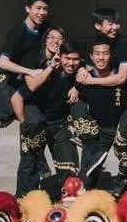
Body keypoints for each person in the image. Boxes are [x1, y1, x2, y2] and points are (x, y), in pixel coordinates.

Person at [10, 40, 82, 200]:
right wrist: (24, 123)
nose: (71, 63)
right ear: (60, 57)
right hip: (37, 123)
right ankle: (24, 202)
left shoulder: (79, 73)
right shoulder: (45, 72)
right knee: (30, 164)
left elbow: (89, 69)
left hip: (60, 124)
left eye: (75, 59)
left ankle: (69, 200)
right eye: (67, 58)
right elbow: (17, 97)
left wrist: (77, 86)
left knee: (69, 161)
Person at [0, 0, 50, 150]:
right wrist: (29, 71)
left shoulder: (45, 30)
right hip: (3, 73)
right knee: (8, 108)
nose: (41, 13)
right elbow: (4, 63)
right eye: (38, 8)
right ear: (28, 9)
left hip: (23, 74)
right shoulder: (17, 33)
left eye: (45, 9)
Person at [76, 37, 127, 189]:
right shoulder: (84, 78)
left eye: (105, 53)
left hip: (122, 130)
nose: (101, 57)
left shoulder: (122, 77)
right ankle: (86, 196)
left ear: (111, 55)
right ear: (91, 57)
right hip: (98, 130)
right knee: (88, 169)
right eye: (97, 54)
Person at [76, 7, 127, 91]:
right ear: (98, 26)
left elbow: (121, 78)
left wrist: (91, 81)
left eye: (117, 23)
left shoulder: (125, 43)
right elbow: (90, 71)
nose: (115, 27)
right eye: (110, 24)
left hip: (123, 91)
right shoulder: (93, 43)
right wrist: (82, 72)